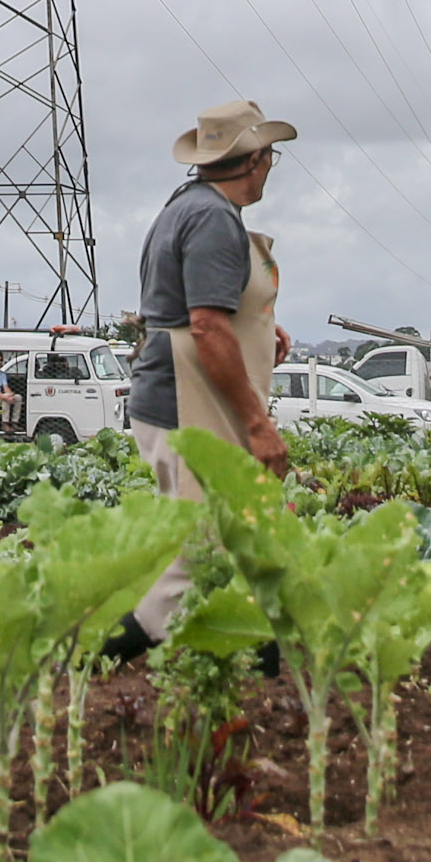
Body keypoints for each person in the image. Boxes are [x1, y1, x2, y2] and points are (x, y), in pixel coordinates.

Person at [107, 99, 296, 660]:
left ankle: (250, 662)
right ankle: (102, 655)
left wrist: (261, 325)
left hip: (175, 396)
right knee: (203, 546)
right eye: (270, 158)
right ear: (256, 160)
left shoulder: (187, 206)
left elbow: (199, 307)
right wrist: (257, 425)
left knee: (225, 538)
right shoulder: (213, 219)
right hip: (187, 404)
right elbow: (207, 328)